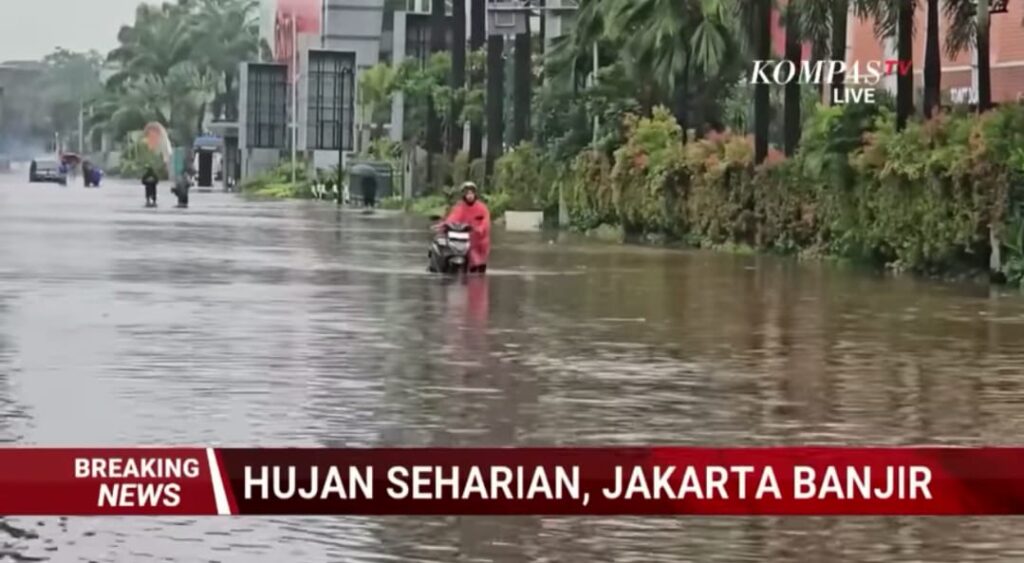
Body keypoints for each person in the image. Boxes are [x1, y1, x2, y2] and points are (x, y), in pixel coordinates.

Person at [439, 182, 491, 273]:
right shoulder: (460, 207)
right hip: (466, 241)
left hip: (481, 243)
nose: (469, 196)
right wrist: (444, 225)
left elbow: (485, 223)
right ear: (464, 195)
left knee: (480, 269)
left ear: (475, 194)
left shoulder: (482, 208)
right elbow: (453, 218)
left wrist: (478, 229)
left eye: (471, 193)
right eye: (467, 193)